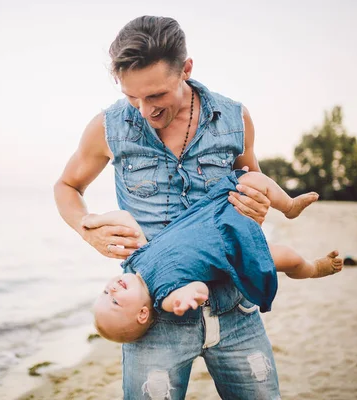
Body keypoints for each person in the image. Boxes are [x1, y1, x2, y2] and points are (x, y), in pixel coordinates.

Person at [55, 15, 288, 399]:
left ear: (186, 70)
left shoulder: (235, 118)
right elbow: (66, 186)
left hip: (237, 310)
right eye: (132, 96)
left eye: (156, 95)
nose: (144, 110)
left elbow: (252, 180)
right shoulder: (107, 126)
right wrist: (86, 227)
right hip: (154, 319)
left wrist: (258, 206)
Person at [85, 169, 343, 343]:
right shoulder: (163, 295)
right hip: (234, 252)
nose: (111, 290)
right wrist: (188, 297)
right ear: (142, 314)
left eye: (105, 293)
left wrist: (94, 219)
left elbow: (126, 218)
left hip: (214, 213)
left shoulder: (135, 262)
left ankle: (289, 205)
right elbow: (194, 289)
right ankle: (314, 268)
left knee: (251, 179)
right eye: (116, 302)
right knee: (288, 257)